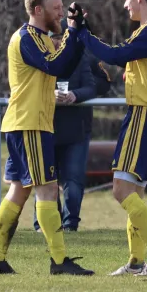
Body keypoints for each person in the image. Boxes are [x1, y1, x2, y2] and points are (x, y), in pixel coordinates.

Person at [0, 0, 94, 276]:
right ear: (37, 9)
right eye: (56, 8)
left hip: (29, 122)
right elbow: (55, 67)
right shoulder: (26, 37)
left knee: (20, 190)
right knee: (47, 188)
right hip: (29, 123)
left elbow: (65, 65)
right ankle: (59, 261)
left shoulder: (42, 37)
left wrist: (76, 31)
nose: (60, 13)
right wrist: (70, 32)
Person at [71, 0, 147, 276]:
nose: (125, 3)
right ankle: (135, 261)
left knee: (120, 190)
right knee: (134, 191)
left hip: (145, 116)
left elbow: (116, 55)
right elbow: (128, 59)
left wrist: (81, 33)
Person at [33, 23, 97, 232]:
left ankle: (71, 224)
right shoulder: (38, 60)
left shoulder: (79, 58)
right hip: (46, 128)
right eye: (55, 37)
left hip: (76, 130)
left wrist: (74, 95)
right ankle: (43, 224)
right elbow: (28, 89)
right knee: (45, 180)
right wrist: (48, 95)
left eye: (63, 37)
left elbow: (91, 86)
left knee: (74, 178)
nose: (59, 41)